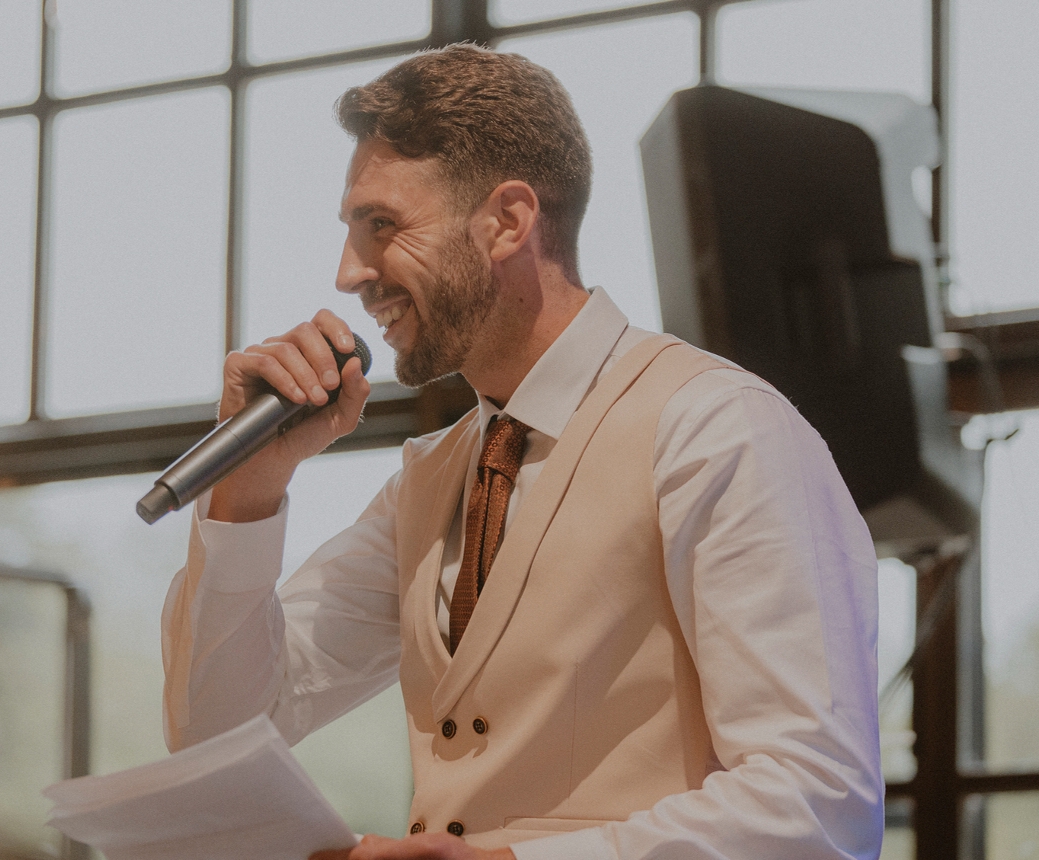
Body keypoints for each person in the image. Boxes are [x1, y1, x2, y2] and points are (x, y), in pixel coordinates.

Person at [161, 44, 883, 860]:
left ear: (507, 222)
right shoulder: (425, 484)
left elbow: (819, 801)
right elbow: (218, 734)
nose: (349, 274)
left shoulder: (719, 429)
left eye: (382, 226)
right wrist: (250, 489)